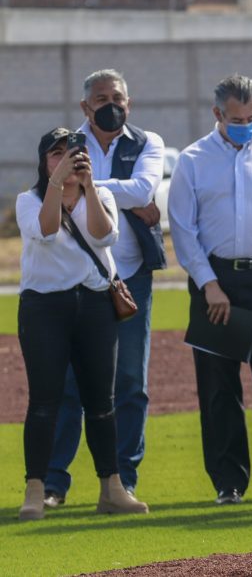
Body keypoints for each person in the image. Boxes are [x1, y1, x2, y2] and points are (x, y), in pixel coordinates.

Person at [45, 69, 166, 508]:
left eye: (117, 96)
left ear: (128, 103)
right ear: (85, 107)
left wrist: (86, 186)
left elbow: (145, 187)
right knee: (72, 384)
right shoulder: (64, 143)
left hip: (130, 279)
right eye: (100, 98)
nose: (109, 104)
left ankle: (121, 482)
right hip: (80, 281)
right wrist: (124, 195)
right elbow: (51, 191)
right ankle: (54, 484)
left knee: (131, 382)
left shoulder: (147, 142)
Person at [167, 74, 252, 504]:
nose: (246, 125)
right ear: (218, 114)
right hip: (215, 280)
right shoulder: (193, 160)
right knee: (220, 387)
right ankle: (229, 482)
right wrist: (209, 284)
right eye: (237, 118)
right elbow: (182, 229)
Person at [17, 128, 148, 519]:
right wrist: (58, 183)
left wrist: (89, 186)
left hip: (94, 305)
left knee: (102, 404)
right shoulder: (29, 200)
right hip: (44, 308)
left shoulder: (102, 195)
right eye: (56, 154)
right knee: (44, 402)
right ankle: (36, 489)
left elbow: (104, 235)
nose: (66, 161)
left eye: (73, 154)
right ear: (44, 161)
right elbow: (45, 230)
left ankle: (112, 488)